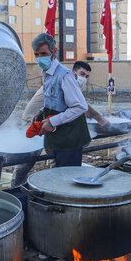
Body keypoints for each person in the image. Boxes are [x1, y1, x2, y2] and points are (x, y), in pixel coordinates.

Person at [30, 33, 91, 167]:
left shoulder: (64, 76)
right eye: (36, 54)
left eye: (44, 53)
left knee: (66, 179)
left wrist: (52, 121)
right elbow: (57, 100)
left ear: (54, 52)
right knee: (57, 174)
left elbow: (80, 107)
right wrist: (41, 111)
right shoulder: (48, 74)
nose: (39, 58)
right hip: (59, 137)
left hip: (70, 139)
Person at [22, 61, 111, 127]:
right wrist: (100, 119)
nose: (84, 78)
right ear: (73, 72)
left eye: (86, 76)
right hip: (32, 119)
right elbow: (82, 105)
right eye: (82, 74)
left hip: (43, 118)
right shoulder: (63, 79)